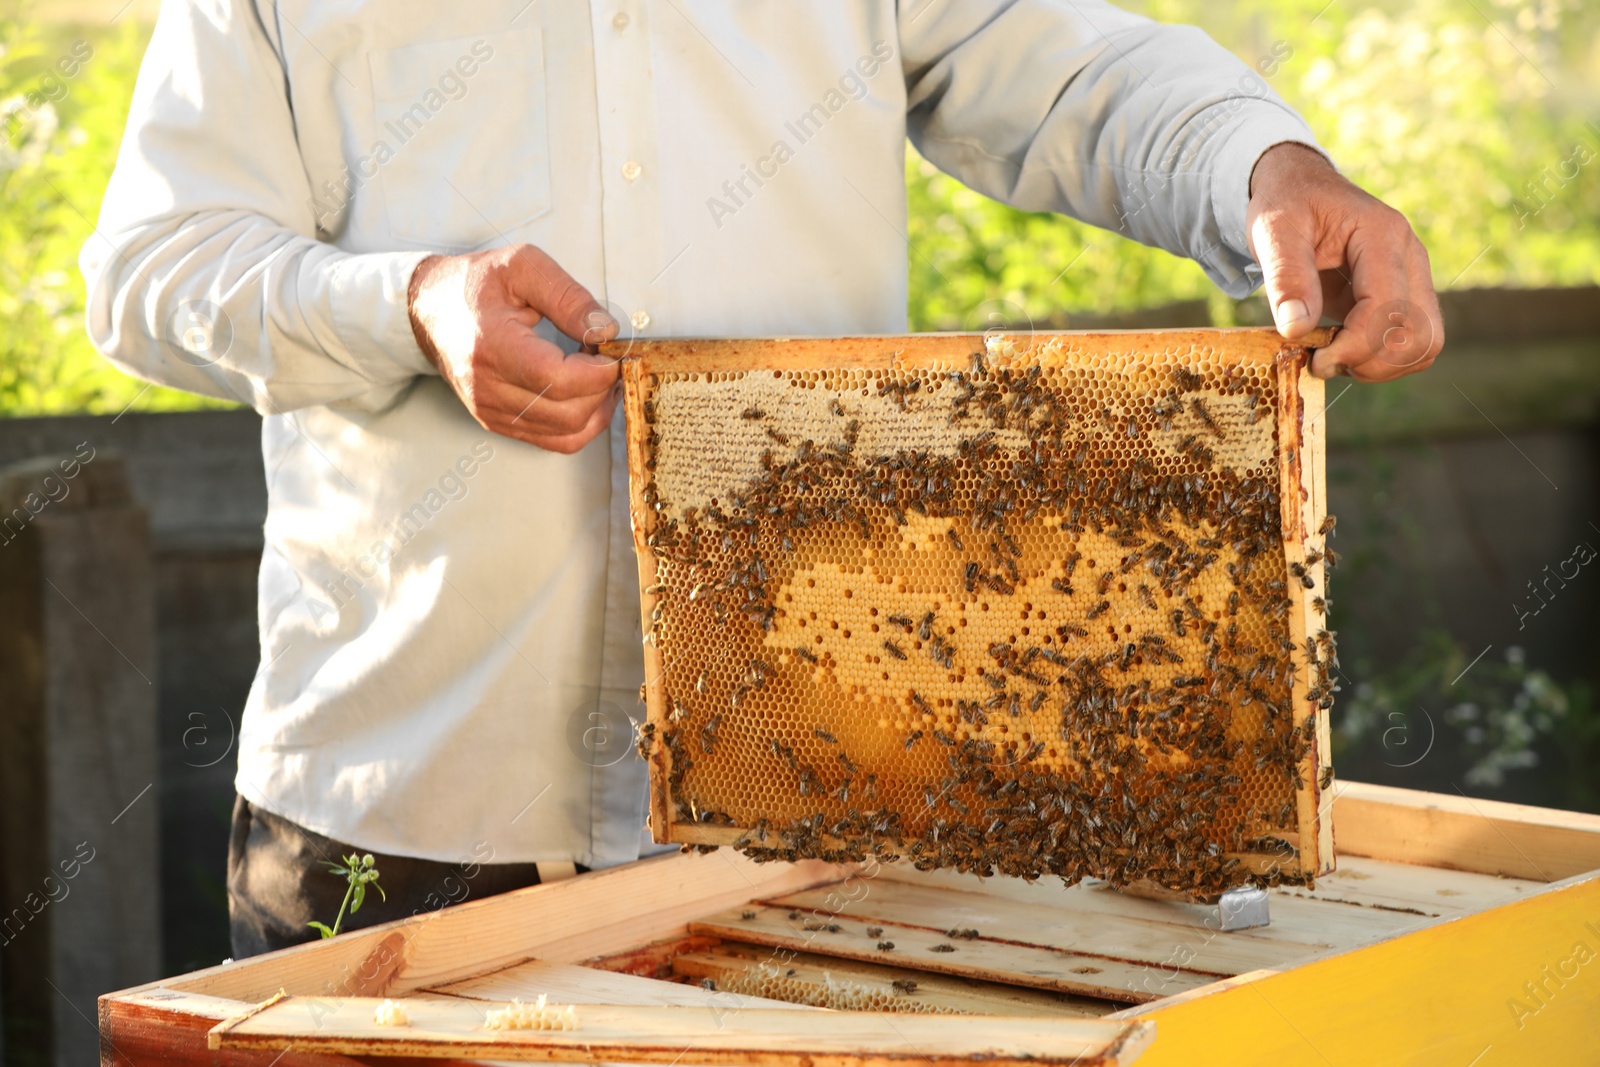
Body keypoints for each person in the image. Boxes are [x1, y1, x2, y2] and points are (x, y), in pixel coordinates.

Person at [81, 1, 1442, 958]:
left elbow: (1068, 68)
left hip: (816, 798)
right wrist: (408, 304)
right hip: (395, 807)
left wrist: (1265, 165)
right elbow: (153, 268)